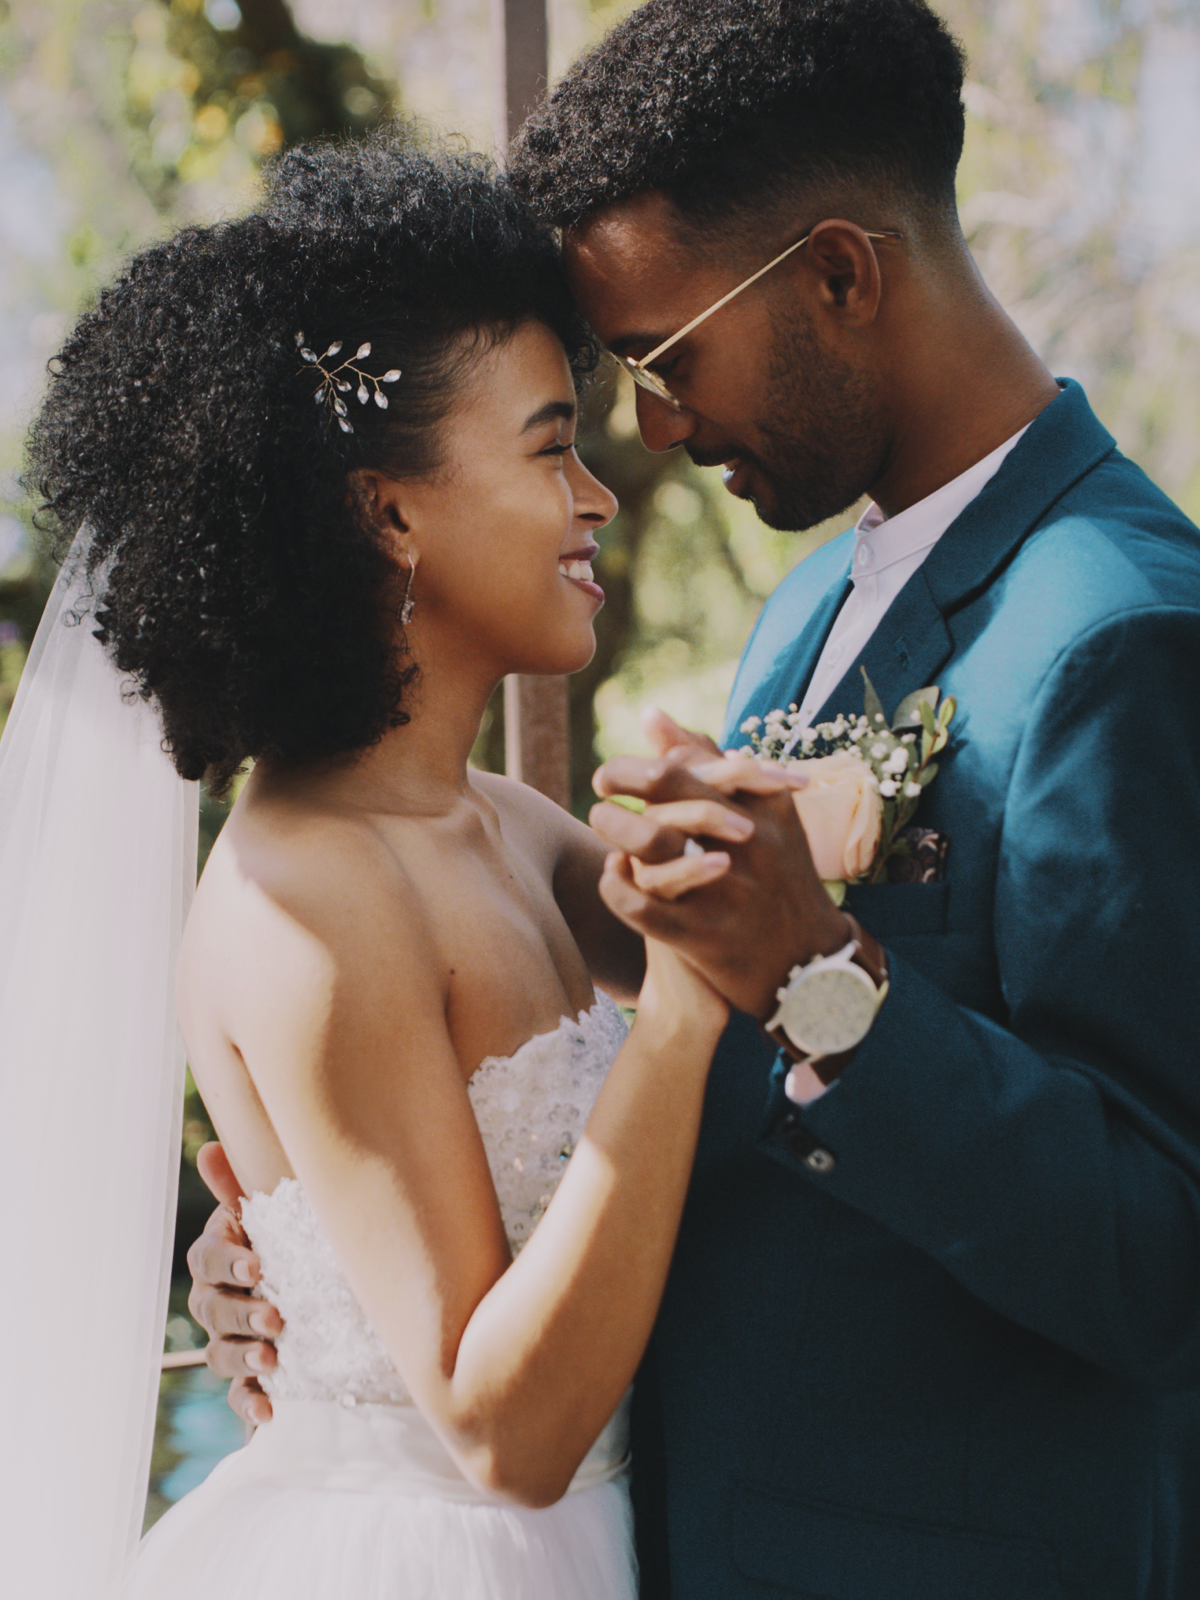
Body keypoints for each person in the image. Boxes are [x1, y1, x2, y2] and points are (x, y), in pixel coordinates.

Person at [187, 2, 1200, 1597]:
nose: (651, 430)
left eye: (664, 359)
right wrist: (328, 1286)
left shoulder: (1122, 636)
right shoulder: (805, 617)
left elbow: (1168, 1257)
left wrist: (836, 988)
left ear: (843, 277)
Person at [1, 127, 786, 1600]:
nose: (599, 501)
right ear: (388, 508)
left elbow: (763, 949)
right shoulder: (303, 901)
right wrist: (677, 1012)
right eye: (554, 447)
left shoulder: (504, 826)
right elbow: (501, 1431)